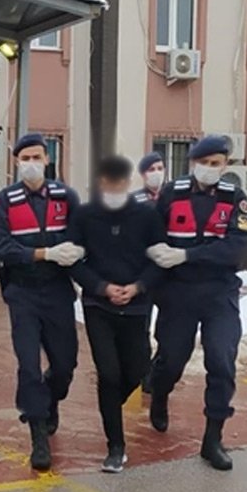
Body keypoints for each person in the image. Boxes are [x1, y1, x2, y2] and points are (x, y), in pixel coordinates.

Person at [145, 134, 247, 471]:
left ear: (225, 166)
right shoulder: (171, 194)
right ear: (192, 164)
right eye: (204, 163)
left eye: (216, 164)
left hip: (219, 293)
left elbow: (235, 248)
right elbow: (150, 233)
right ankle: (160, 394)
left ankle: (213, 438)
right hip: (178, 294)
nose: (209, 169)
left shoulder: (236, 198)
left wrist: (187, 255)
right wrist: (154, 252)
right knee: (171, 360)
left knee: (222, 361)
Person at [0, 133, 83, 472]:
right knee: (28, 366)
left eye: (37, 156)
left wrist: (77, 253)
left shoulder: (65, 196)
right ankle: (38, 436)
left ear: (47, 159)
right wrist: (42, 253)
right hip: (23, 294)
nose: (31, 163)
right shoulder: (4, 201)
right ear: (16, 162)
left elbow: (81, 235)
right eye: (24, 157)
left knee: (65, 366)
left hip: (58, 291)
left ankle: (50, 399)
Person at [67, 155, 165, 473]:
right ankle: (115, 447)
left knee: (136, 371)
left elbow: (159, 259)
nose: (113, 188)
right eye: (108, 183)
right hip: (99, 306)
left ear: (127, 183)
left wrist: (138, 287)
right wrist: (100, 287)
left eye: (119, 183)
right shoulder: (84, 216)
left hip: (137, 306)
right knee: (108, 374)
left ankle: (110, 408)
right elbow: (73, 260)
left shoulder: (146, 216)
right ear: (100, 184)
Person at [133, 151, 167, 395]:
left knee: (168, 328)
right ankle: (144, 374)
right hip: (143, 272)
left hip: (170, 274)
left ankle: (159, 368)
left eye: (160, 167)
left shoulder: (174, 198)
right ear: (143, 174)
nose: (157, 173)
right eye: (151, 169)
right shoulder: (133, 201)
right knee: (141, 328)